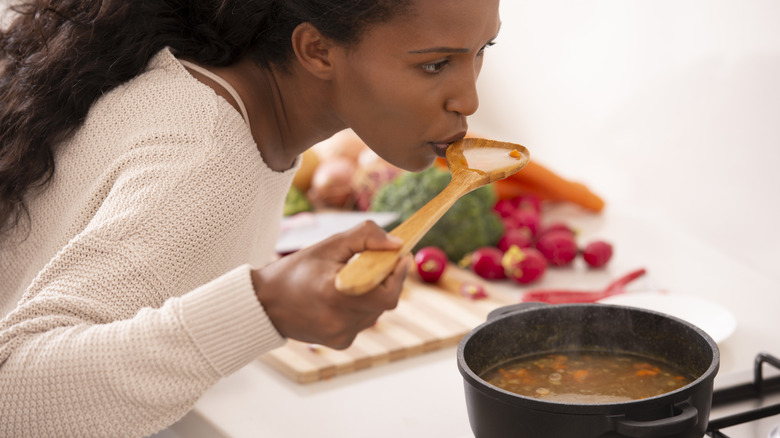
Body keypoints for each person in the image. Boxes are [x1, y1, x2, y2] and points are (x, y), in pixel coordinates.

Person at [0, 0, 500, 435]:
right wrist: (265, 308)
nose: (470, 99)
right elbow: (11, 395)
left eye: (482, 51)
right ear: (318, 50)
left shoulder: (198, 84)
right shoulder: (207, 164)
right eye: (435, 65)